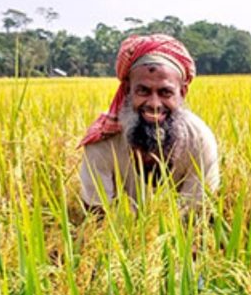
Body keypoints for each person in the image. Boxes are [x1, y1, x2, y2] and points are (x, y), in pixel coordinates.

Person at [78, 34, 219, 214]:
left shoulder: (199, 140)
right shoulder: (103, 142)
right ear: (128, 90)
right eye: (143, 91)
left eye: (165, 92)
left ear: (182, 92)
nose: (154, 104)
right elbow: (96, 217)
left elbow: (196, 215)